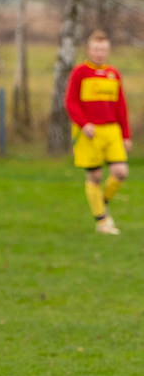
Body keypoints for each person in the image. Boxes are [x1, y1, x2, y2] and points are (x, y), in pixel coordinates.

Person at [65, 29, 132, 235]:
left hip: (111, 130)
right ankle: (102, 221)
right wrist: (84, 124)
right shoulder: (79, 72)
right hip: (89, 132)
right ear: (89, 49)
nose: (99, 53)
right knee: (95, 176)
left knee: (121, 172)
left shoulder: (113, 74)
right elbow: (70, 102)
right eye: (96, 49)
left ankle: (100, 203)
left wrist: (126, 135)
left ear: (108, 50)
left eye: (103, 49)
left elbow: (120, 105)